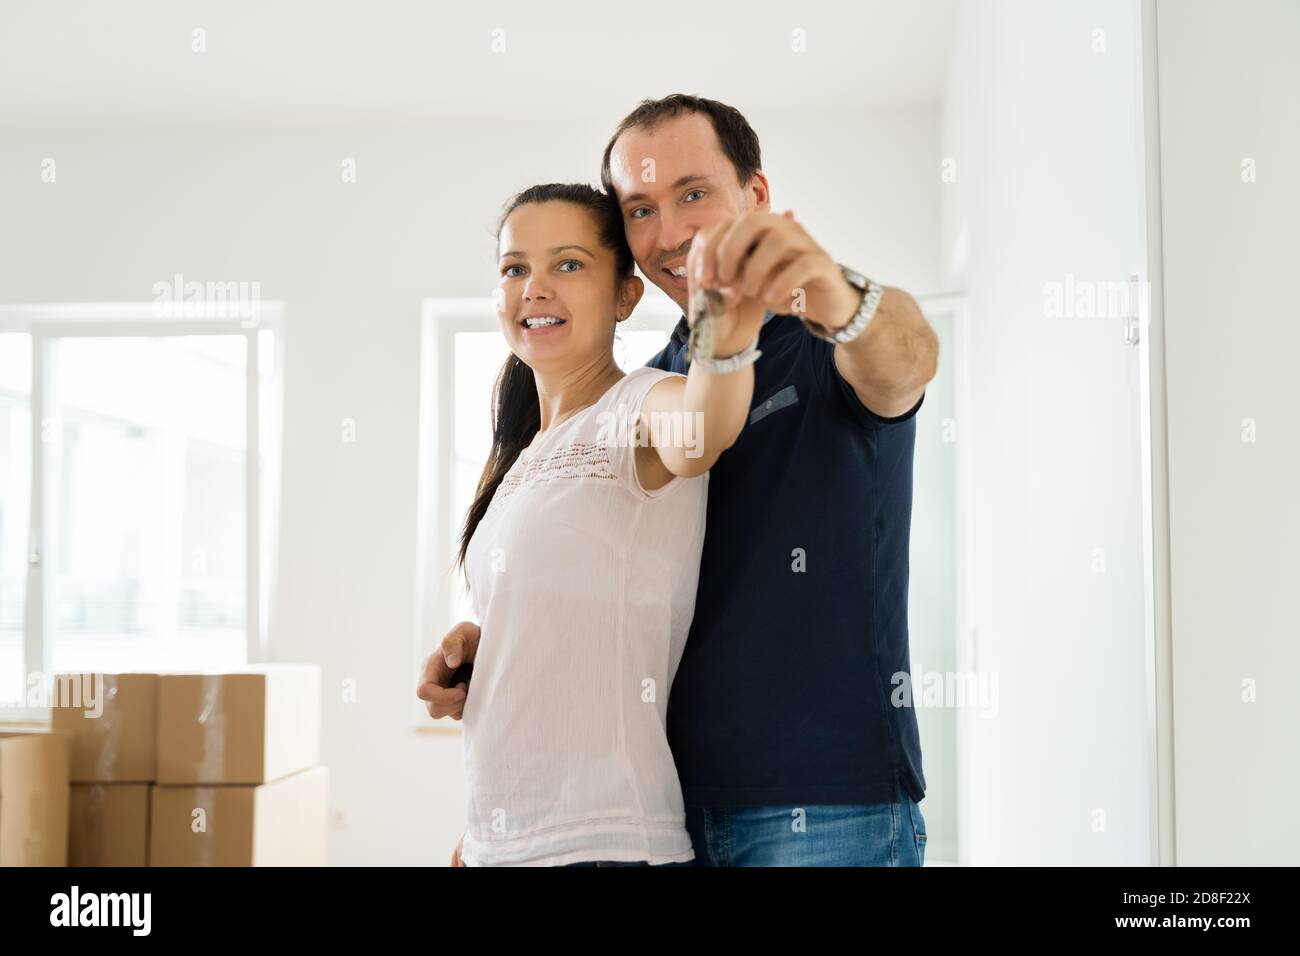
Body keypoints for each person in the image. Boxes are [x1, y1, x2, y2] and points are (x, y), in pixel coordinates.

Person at [419, 181, 763, 866]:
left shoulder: (639, 405)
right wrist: (485, 645)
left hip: (606, 844)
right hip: (501, 845)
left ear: (624, 295)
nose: (534, 288)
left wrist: (725, 319)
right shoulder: (520, 458)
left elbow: (703, 430)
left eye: (568, 265)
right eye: (515, 268)